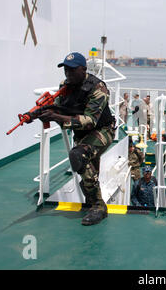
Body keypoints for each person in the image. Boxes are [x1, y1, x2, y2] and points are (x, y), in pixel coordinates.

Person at [38, 52, 115, 226]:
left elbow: (90, 121)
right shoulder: (65, 86)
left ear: (84, 69)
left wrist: (56, 117)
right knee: (88, 168)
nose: (68, 74)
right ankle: (91, 198)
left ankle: (99, 206)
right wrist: (42, 114)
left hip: (102, 130)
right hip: (81, 133)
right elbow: (58, 107)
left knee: (78, 155)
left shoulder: (98, 88)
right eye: (66, 70)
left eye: (72, 70)